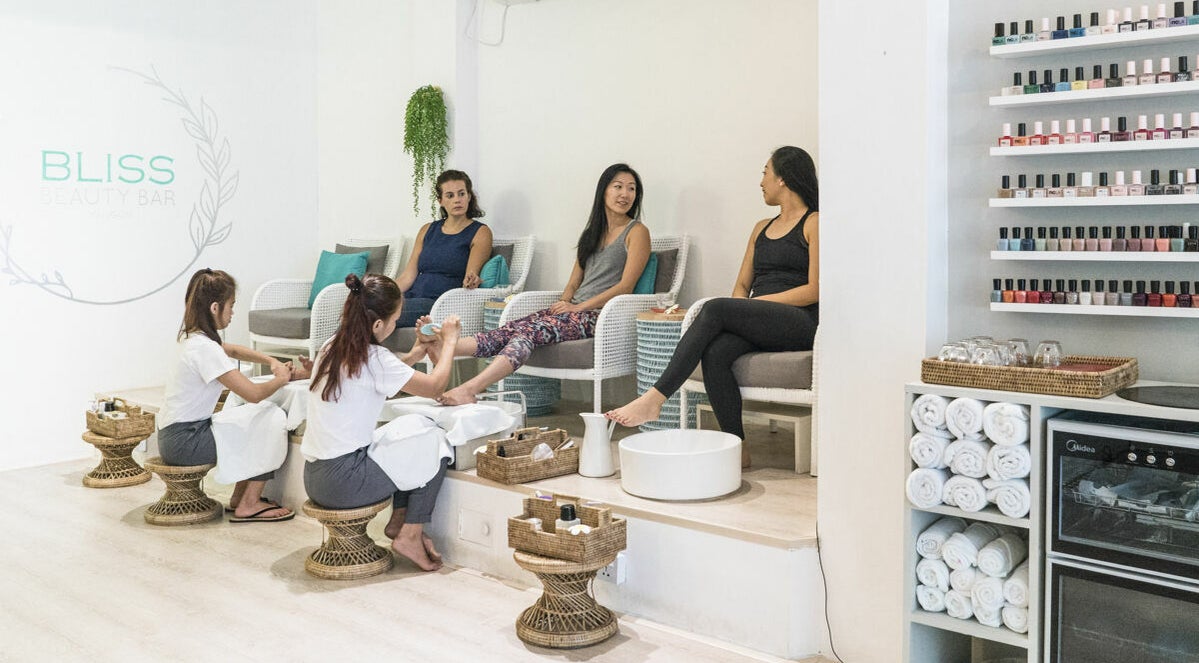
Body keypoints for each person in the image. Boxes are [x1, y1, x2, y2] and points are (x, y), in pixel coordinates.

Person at [606, 146, 819, 468]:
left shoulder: (814, 222)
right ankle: (738, 447)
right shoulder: (761, 228)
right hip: (761, 318)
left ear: (783, 178)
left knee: (714, 308)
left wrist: (751, 306)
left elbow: (814, 290)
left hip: (799, 321)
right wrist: (743, 310)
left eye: (765, 172)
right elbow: (742, 286)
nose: (761, 181)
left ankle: (655, 398)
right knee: (716, 352)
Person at [431, 163, 651, 405]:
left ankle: (470, 389)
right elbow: (573, 283)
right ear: (604, 191)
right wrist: (564, 303)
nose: (625, 194)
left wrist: (578, 308)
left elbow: (625, 287)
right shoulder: (592, 233)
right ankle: (446, 345)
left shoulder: (637, 232)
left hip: (600, 315)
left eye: (631, 189)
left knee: (528, 333)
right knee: (510, 328)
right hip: (574, 311)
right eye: (618, 187)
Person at [301, 273, 461, 571]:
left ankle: (398, 522)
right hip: (345, 481)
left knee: (411, 427)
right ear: (377, 325)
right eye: (394, 320)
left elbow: (378, 377)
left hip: (315, 478)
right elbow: (435, 387)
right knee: (437, 440)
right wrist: (450, 341)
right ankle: (410, 533)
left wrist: (416, 352)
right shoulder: (374, 357)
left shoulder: (332, 346)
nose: (394, 325)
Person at [157, 268, 305, 523]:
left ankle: (239, 498)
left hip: (174, 437)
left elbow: (233, 351)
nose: (233, 312)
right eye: (231, 305)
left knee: (250, 417)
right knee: (271, 416)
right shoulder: (204, 349)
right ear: (215, 307)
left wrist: (271, 360)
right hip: (186, 442)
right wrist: (280, 379)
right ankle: (250, 502)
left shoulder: (193, 339)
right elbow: (253, 394)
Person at [393, 170, 494, 328]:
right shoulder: (427, 229)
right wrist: (382, 293)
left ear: (469, 196)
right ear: (440, 200)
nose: (457, 200)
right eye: (450, 195)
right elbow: (407, 277)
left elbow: (469, 278)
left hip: (440, 303)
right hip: (412, 297)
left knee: (377, 313)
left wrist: (472, 280)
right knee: (366, 305)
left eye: (461, 194)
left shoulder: (481, 232)